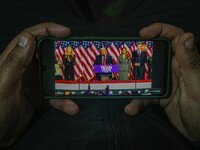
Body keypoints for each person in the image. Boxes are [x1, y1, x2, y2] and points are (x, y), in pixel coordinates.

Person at [0, 0, 200, 150]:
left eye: (105, 52)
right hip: (164, 123)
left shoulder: (117, 57)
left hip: (38, 121)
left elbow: (114, 67)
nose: (104, 53)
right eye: (103, 52)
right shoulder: (99, 58)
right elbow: (97, 67)